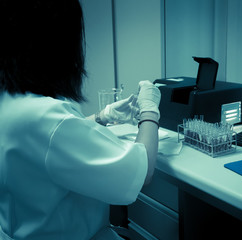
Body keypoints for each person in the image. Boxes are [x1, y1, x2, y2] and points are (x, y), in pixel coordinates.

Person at [0, 0, 160, 239]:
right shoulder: (46, 117)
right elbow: (142, 170)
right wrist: (150, 110)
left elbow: (46, 149)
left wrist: (101, 117)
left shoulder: (10, 101)